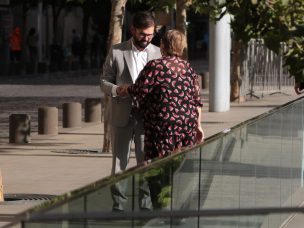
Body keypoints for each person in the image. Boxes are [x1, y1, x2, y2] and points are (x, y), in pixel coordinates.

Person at [100, 11, 161, 211]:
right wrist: (116, 90)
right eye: (143, 34)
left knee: (146, 162)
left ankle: (145, 204)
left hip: (147, 116)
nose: (147, 38)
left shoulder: (158, 53)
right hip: (121, 114)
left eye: (151, 35)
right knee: (119, 164)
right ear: (133, 30)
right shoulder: (117, 51)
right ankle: (118, 205)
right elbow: (104, 81)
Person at [118, 29, 204, 160]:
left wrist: (125, 89)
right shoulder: (188, 68)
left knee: (160, 165)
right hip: (187, 125)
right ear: (182, 47)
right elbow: (196, 100)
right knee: (182, 164)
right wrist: (198, 126)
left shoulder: (155, 66)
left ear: (162, 45)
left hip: (162, 126)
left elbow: (140, 89)